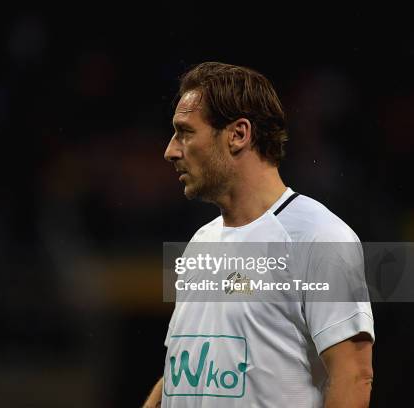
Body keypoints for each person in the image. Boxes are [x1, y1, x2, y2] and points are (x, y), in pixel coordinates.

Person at [143, 62, 374, 407]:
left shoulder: (318, 238)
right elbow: (183, 366)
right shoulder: (199, 244)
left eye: (185, 132)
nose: (171, 150)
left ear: (238, 134)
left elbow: (353, 376)